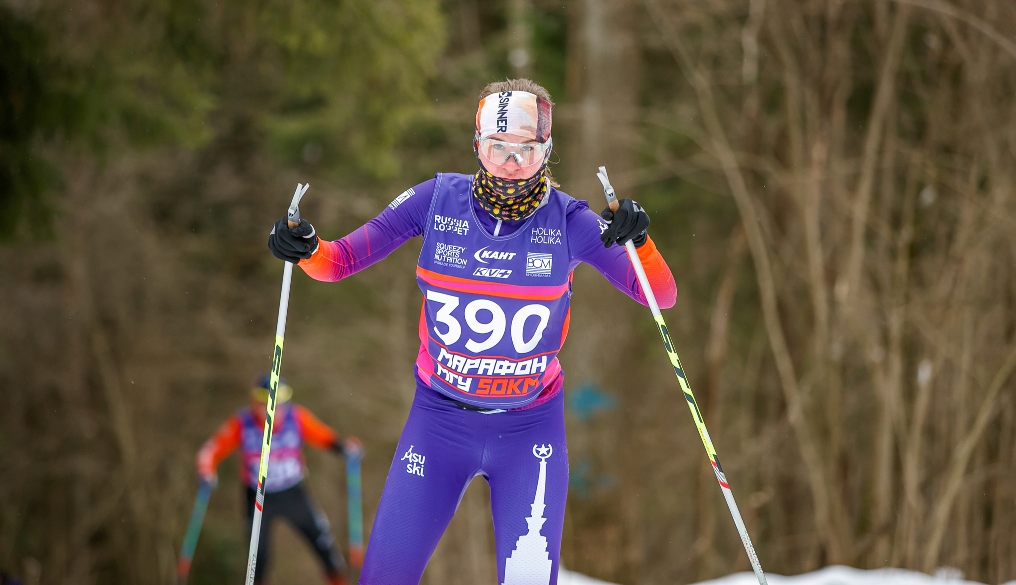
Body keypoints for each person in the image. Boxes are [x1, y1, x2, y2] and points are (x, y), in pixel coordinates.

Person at [268, 78, 676, 585]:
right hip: (438, 421)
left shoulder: (570, 220)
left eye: (525, 149)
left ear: (546, 149)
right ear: (476, 145)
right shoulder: (435, 200)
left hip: (529, 430)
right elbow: (341, 261)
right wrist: (305, 248)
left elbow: (658, 294)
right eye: (496, 146)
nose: (510, 161)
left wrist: (640, 241)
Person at [196, 374, 352, 585]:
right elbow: (210, 450)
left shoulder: (296, 418)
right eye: (268, 405)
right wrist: (206, 470)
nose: (276, 411)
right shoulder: (243, 423)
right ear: (256, 403)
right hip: (259, 497)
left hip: (293, 493)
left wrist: (344, 449)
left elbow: (324, 436)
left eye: (281, 405)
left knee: (323, 543)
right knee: (258, 559)